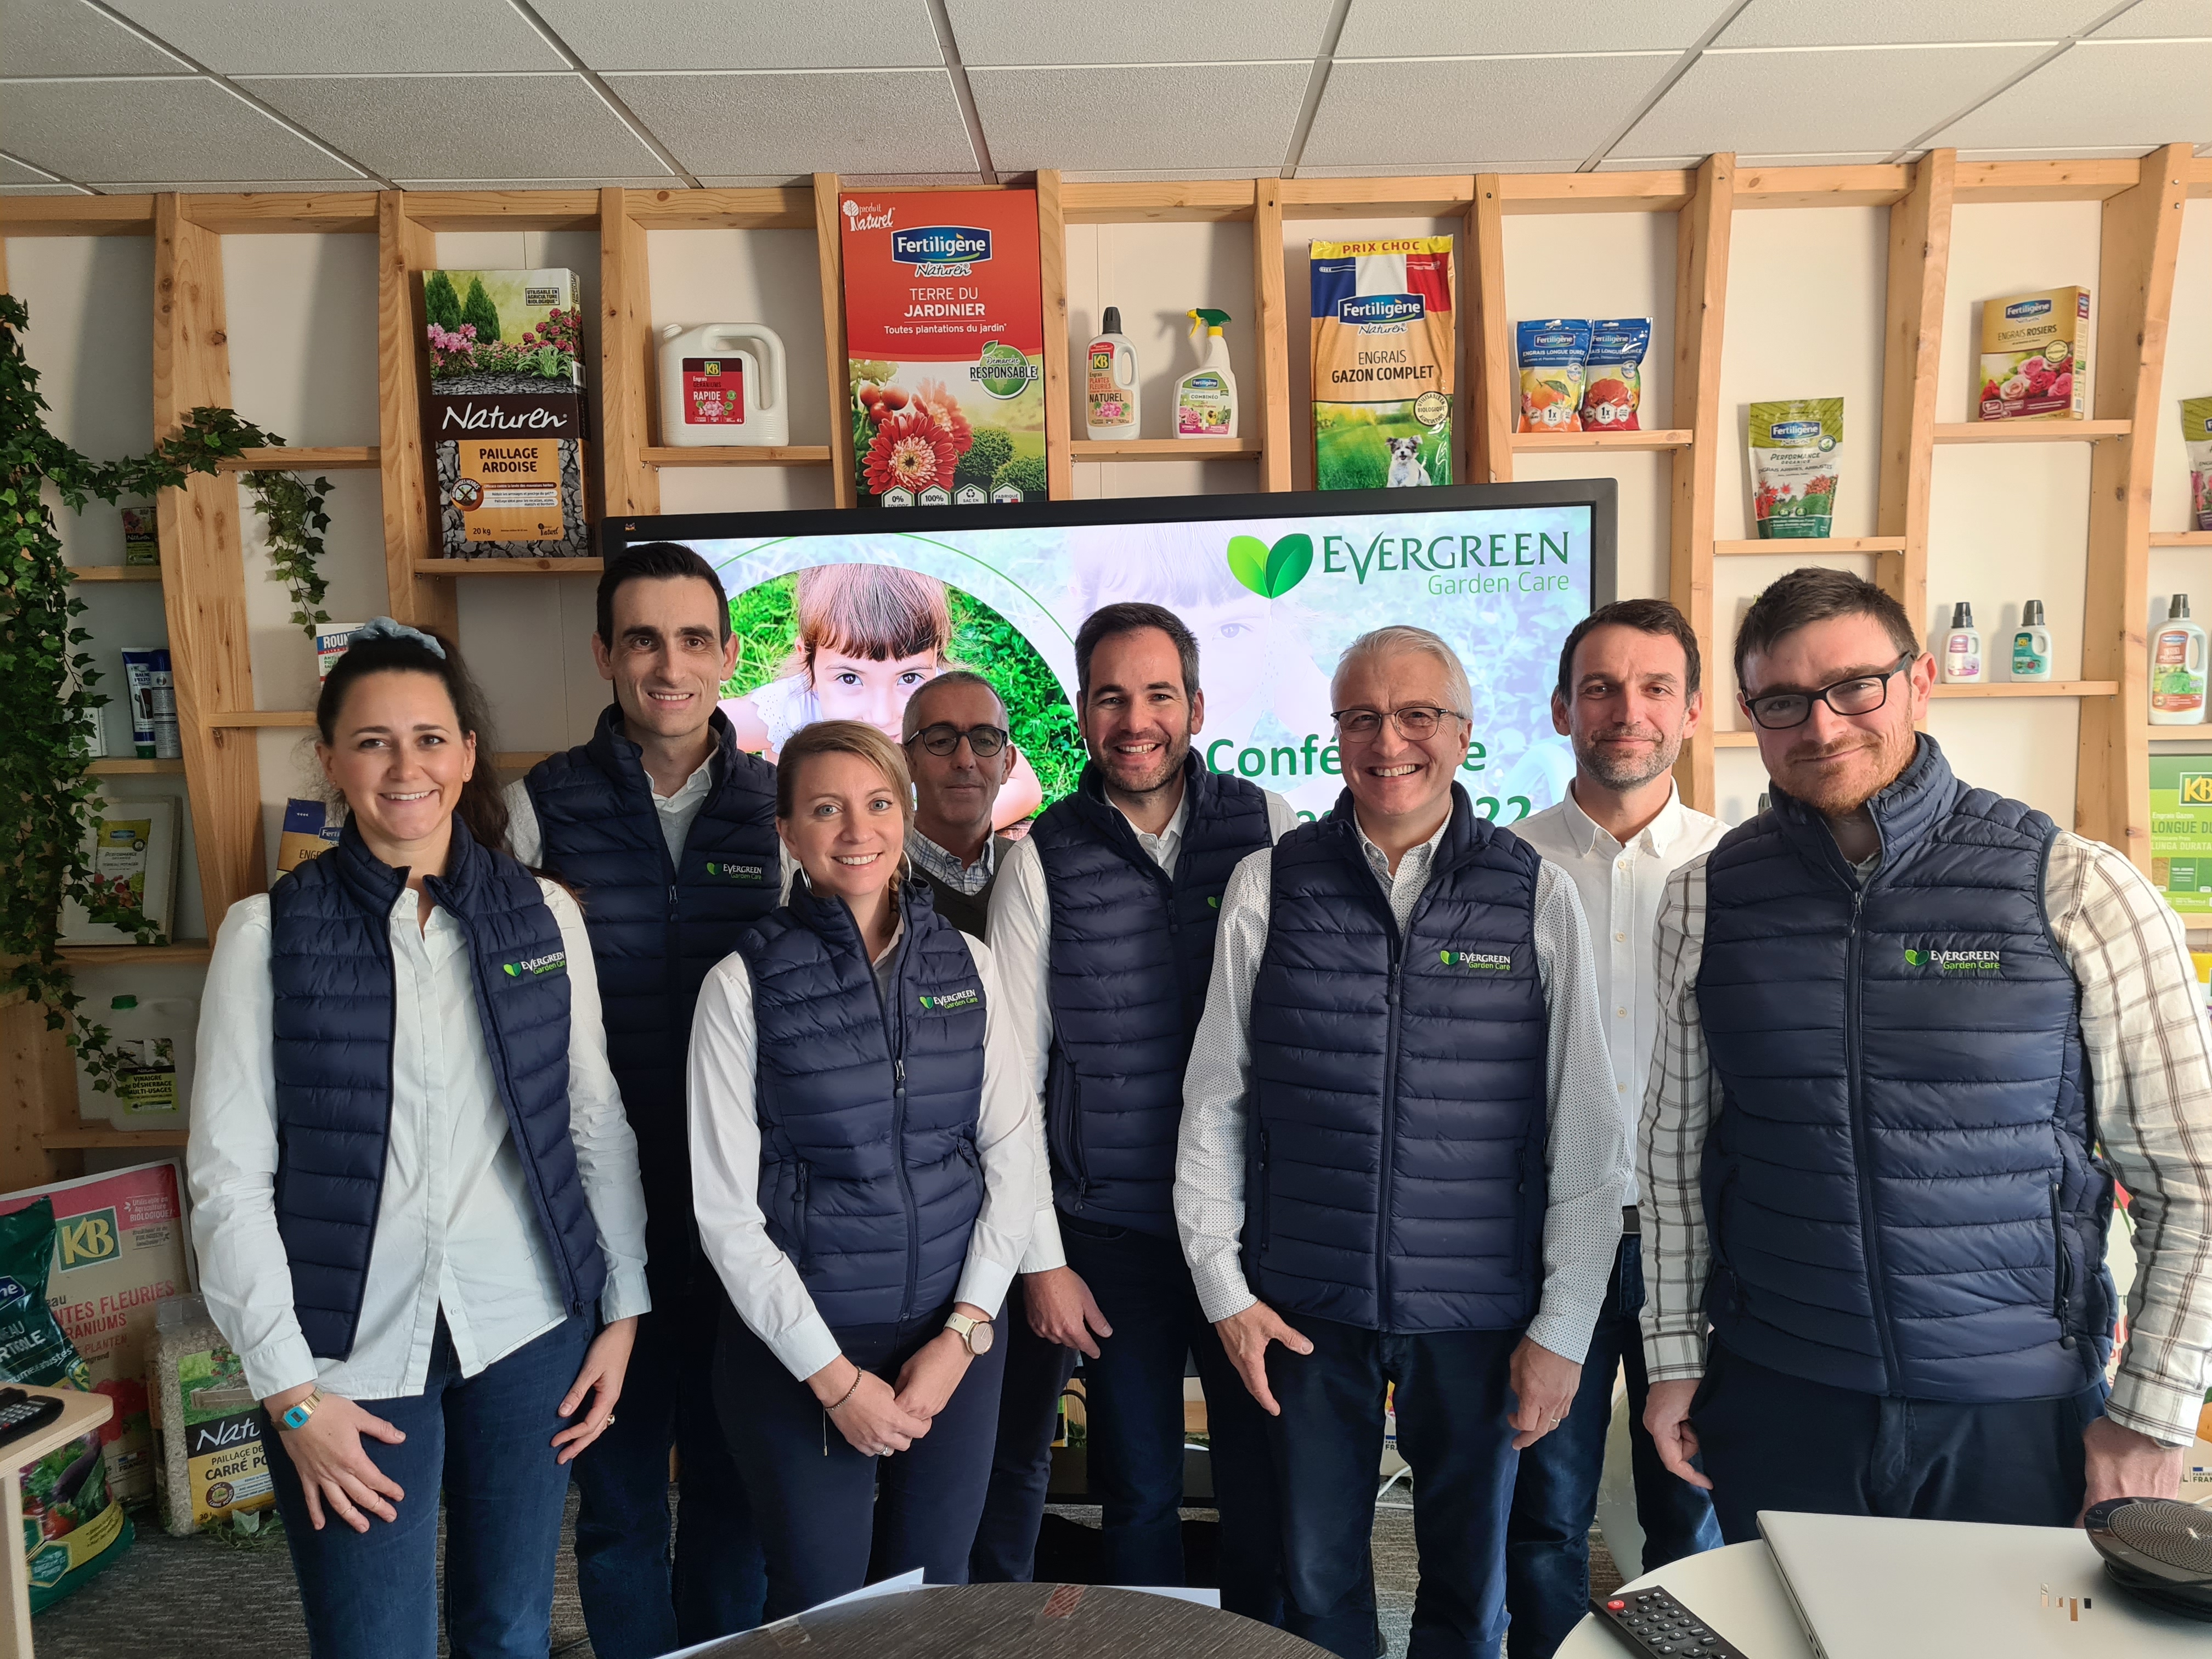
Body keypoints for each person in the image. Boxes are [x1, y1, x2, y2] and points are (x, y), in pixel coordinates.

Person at [1640, 566, 2212, 1540]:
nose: (1822, 726)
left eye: (1853, 686)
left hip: (2015, 1409)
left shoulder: (2075, 886)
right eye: (1783, 701)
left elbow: (2191, 1179)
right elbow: (1672, 1159)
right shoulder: (1704, 898)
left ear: (1918, 683)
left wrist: (2151, 1417)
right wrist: (1671, 1359)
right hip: (1780, 1394)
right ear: (1748, 714)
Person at [188, 619, 650, 1659]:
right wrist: (289, 1394)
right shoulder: (267, 933)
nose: (407, 768)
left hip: (529, 1326)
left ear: (468, 754)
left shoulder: (543, 914)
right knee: (373, 1639)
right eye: (374, 742)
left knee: (510, 1628)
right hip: (343, 1353)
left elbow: (592, 1122)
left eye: (431, 739)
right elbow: (227, 1179)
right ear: (331, 759)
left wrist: (622, 1310)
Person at [1178, 623, 1629, 1659]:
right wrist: (1225, 1292)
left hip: (1478, 1316)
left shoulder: (1534, 892)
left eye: (1418, 714)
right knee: (1317, 1587)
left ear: (1464, 733)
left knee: (1469, 1598)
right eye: (1362, 718)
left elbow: (1584, 1129)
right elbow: (1215, 1103)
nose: (1389, 741)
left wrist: (1564, 1329)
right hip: (1306, 1310)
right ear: (1335, 733)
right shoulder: (1269, 884)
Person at [986, 601, 1300, 1606]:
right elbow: (1014, 1083)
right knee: (1138, 1493)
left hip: (1250, 1233)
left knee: (1264, 1484)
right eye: (1111, 697)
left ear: (1196, 707)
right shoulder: (1038, 859)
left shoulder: (1270, 828)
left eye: (1159, 694)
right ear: (1082, 713)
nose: (1135, 720)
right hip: (1110, 1235)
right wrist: (1043, 1258)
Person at [689, 721, 1037, 1617]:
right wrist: (835, 1380)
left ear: (905, 813)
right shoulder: (740, 985)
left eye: (878, 802)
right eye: (825, 809)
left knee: (934, 1600)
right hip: (802, 1350)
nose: (856, 829)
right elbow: (726, 1217)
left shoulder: (970, 965)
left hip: (951, 1339)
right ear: (787, 830)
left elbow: (1012, 1156)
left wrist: (963, 1334)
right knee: (826, 1611)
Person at [502, 543, 776, 1657]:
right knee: (615, 1495)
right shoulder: (538, 807)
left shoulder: (778, 808)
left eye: (694, 639)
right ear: (605, 653)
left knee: (732, 1485)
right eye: (645, 639)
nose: (671, 665)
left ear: (727, 654)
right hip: (591, 1215)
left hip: (741, 1210)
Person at [1506, 600, 1723, 1658]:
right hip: (1552, 1238)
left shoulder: (1737, 868)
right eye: (1599, 688)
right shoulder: (1506, 866)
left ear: (1691, 709)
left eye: (1651, 688)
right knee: (1544, 1505)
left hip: (1701, 1239)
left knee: (1695, 1503)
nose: (1624, 710)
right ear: (1561, 708)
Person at [723, 563, 1043, 827]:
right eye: (850, 678)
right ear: (810, 663)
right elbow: (698, 732)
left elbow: (1024, 787)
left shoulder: (947, 710)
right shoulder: (791, 709)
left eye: (909, 678)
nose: (882, 715)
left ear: (936, 662)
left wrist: (917, 835)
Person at [902, 669, 1022, 938]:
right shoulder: (870, 877)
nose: (965, 760)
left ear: (1007, 764)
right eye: (941, 741)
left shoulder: (1035, 870)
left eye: (984, 740)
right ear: (907, 762)